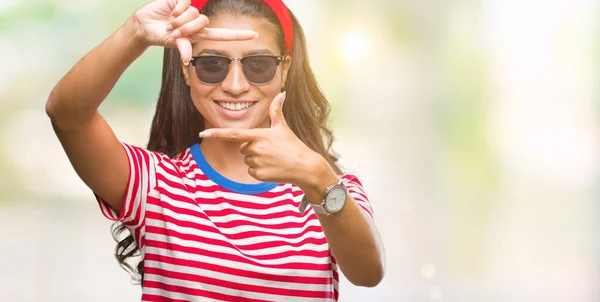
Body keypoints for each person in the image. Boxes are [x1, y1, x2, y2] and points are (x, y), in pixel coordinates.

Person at [46, 0, 385, 300]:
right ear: (187, 69)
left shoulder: (331, 188)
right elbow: (66, 115)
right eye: (212, 65)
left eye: (258, 65)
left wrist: (316, 176)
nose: (235, 86)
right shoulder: (154, 185)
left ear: (284, 70)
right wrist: (134, 32)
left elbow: (368, 274)